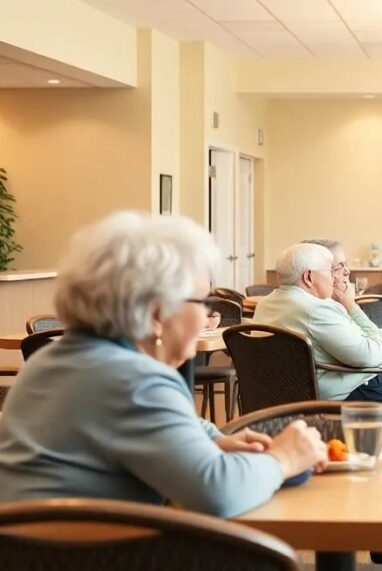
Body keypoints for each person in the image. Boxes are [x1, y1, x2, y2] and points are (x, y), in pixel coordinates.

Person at [0, 212, 325, 517]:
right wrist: (284, 458)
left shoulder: (54, 360)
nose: (207, 315)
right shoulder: (133, 379)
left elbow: (136, 419)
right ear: (157, 315)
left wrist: (212, 438)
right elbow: (218, 492)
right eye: (202, 302)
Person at [254, 243, 382, 413]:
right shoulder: (317, 309)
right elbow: (366, 355)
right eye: (329, 271)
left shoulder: (266, 304)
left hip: (280, 392)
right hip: (340, 392)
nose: (333, 277)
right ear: (309, 277)